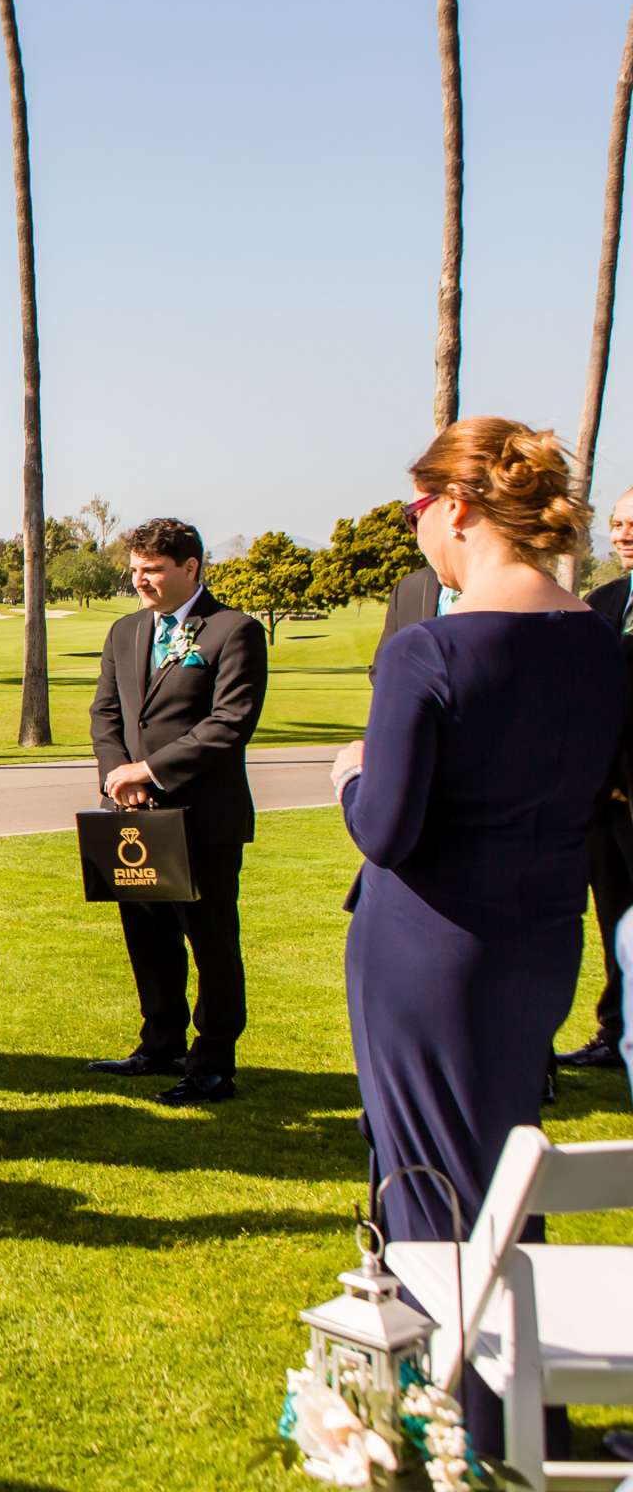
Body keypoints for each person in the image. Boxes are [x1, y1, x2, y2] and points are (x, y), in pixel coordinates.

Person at [334, 416, 620, 1455]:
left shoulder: (431, 650)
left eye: (418, 510)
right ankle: (526, 1410)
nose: (417, 530)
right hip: (539, 945)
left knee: (433, 1191)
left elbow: (388, 827)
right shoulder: (598, 640)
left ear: (456, 508)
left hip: (427, 952)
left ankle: (468, 1430)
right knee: (505, 1181)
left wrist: (351, 774)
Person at [87, 516, 267, 1106]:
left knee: (211, 942)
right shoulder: (125, 632)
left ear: (192, 567)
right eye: (135, 570)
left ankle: (213, 1062)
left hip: (204, 818)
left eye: (153, 570)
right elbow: (107, 715)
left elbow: (229, 725)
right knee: (148, 937)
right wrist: (120, 777)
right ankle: (158, 1043)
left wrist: (151, 771)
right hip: (135, 817)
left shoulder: (234, 631)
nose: (141, 580)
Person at [561, 487, 633, 1073]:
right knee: (613, 913)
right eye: (617, 523)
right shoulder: (603, 601)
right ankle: (615, 1029)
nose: (624, 534)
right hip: (602, 797)